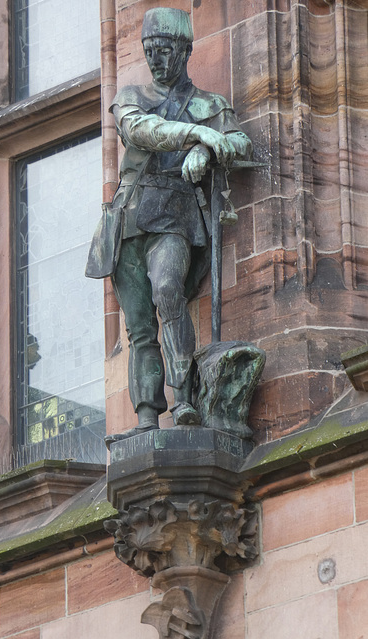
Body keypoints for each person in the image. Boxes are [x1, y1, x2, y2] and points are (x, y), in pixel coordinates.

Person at [87, 7, 252, 440]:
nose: (156, 60)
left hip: (174, 219)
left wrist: (210, 152)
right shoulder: (131, 97)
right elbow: (140, 130)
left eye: (163, 50)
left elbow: (240, 141)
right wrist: (197, 136)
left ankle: (185, 400)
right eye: (149, 51)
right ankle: (145, 416)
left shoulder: (208, 104)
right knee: (139, 326)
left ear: (184, 50)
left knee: (167, 292)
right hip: (129, 221)